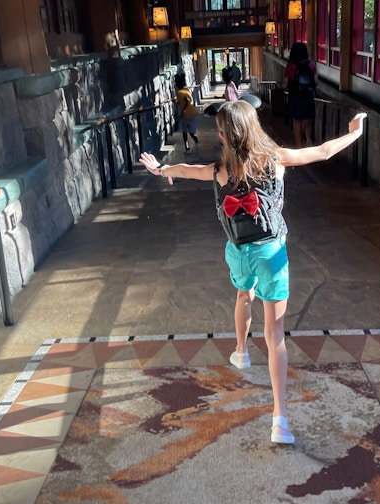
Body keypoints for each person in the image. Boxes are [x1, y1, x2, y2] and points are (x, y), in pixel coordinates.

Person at [139, 100, 367, 445]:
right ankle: (279, 421)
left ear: (225, 135)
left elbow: (186, 168)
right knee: (274, 334)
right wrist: (355, 134)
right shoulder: (276, 159)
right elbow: (322, 151)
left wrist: (161, 169)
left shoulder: (219, 170)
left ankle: (241, 352)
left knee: (243, 295)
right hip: (272, 254)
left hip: (238, 252)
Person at [282, 42, 318, 148]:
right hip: (308, 96)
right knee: (307, 120)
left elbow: (285, 84)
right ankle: (308, 140)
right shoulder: (311, 64)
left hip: (295, 97)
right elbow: (316, 82)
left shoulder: (291, 66)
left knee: (297, 121)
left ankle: (298, 146)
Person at [176, 73, 200, 152]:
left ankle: (187, 148)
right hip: (193, 113)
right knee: (191, 131)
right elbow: (184, 101)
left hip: (186, 114)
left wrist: (183, 111)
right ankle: (197, 142)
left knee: (184, 132)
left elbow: (187, 101)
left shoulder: (179, 93)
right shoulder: (186, 90)